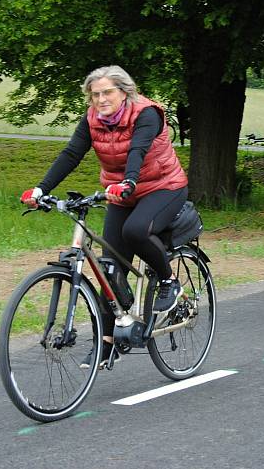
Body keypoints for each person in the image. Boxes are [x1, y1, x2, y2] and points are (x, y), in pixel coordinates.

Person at [20, 65, 189, 368]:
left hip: (163, 187)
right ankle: (107, 343)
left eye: (107, 92)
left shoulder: (146, 113)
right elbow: (71, 154)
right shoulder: (92, 120)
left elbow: (137, 150)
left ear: (124, 91)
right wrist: (40, 189)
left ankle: (168, 280)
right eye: (95, 94)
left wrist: (130, 181)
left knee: (136, 231)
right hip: (120, 191)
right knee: (110, 268)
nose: (101, 99)